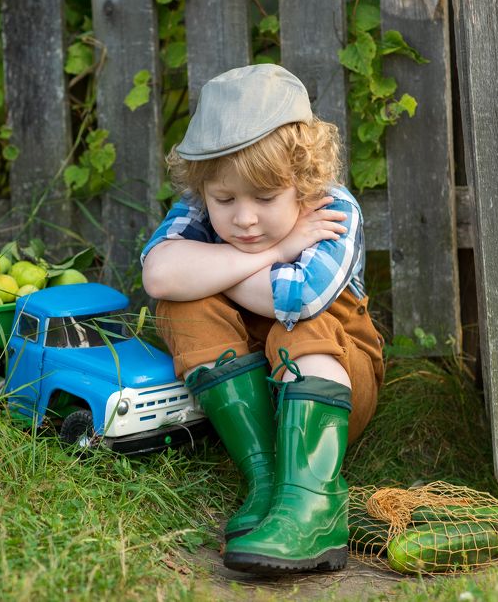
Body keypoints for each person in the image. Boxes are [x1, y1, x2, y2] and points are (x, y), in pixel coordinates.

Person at [140, 64, 384, 574]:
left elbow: (295, 297)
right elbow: (161, 276)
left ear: (304, 181)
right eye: (225, 200)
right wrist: (278, 249)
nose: (244, 219)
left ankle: (314, 505)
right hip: (261, 390)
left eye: (266, 199)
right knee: (182, 304)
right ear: (203, 188)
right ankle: (269, 482)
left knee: (306, 322)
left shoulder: (334, 209)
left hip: (338, 386)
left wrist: (208, 268)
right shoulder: (198, 210)